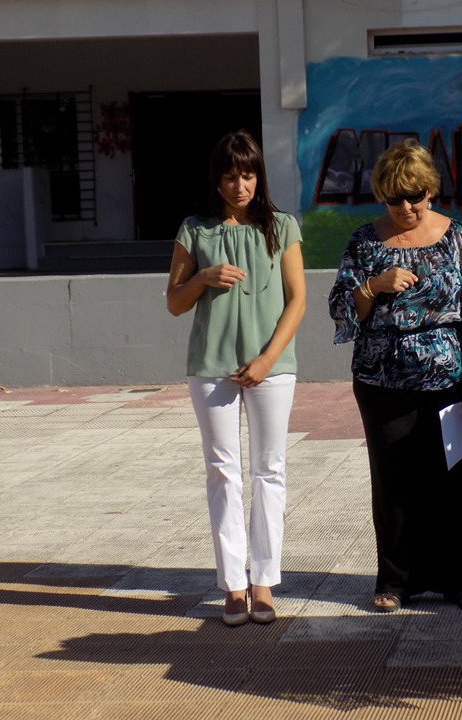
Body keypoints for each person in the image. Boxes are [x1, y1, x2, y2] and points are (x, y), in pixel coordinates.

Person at [328, 138, 462, 613]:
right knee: (394, 481)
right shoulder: (365, 241)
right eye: (395, 198)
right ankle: (396, 580)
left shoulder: (458, 237)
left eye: (416, 195)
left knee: (455, 479)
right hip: (381, 380)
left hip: (448, 377)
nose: (406, 206)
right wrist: (374, 285)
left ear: (431, 190)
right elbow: (340, 308)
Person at [166, 130, 307, 626]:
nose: (240, 185)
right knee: (222, 472)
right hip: (210, 367)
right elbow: (174, 303)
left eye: (248, 175)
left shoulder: (282, 226)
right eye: (230, 176)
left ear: (259, 176)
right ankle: (233, 584)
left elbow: (298, 299)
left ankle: (265, 582)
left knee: (270, 471)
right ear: (217, 180)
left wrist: (269, 358)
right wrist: (202, 278)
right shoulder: (195, 230)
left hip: (272, 369)